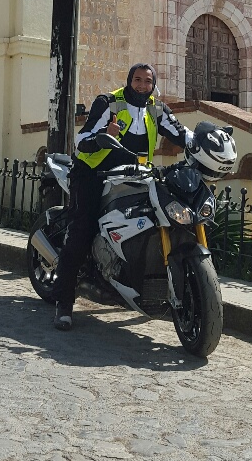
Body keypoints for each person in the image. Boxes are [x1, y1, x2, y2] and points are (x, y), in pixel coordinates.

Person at [51, 63, 192, 330]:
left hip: (135, 176)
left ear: (153, 85)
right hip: (94, 173)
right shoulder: (109, 103)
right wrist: (105, 134)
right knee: (81, 230)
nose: (142, 85)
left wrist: (207, 142)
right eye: (137, 80)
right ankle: (64, 302)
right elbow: (83, 139)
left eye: (147, 81)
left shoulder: (156, 108)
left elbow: (182, 133)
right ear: (129, 81)